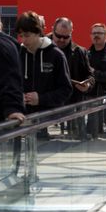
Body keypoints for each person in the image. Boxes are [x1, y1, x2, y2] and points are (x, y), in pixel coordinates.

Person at [17, 12, 72, 140]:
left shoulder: (56, 55)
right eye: (20, 36)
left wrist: (41, 99)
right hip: (20, 121)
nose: (23, 40)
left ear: (38, 32)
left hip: (47, 122)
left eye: (27, 35)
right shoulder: (18, 53)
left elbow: (66, 90)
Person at [51, 17, 94, 139]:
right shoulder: (42, 49)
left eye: (66, 37)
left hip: (73, 105)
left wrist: (87, 86)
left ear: (71, 33)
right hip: (47, 106)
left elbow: (90, 75)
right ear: (52, 31)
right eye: (58, 36)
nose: (61, 40)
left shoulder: (79, 51)